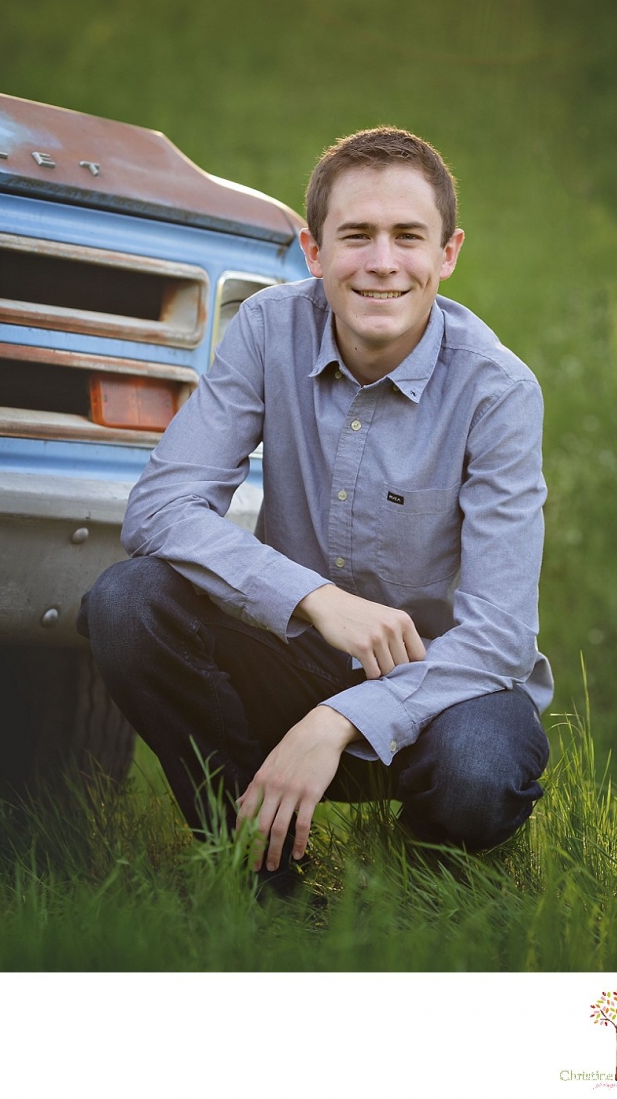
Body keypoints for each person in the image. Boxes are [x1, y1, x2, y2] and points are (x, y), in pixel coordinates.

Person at [78, 126, 553, 891]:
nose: (383, 262)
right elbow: (161, 506)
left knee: (481, 767)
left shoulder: (498, 392)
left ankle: (421, 880)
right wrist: (314, 598)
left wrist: (338, 719)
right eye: (356, 235)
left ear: (449, 254)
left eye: (409, 236)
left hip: (441, 691)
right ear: (313, 249)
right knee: (127, 602)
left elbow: (499, 637)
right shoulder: (269, 330)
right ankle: (258, 869)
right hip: (291, 662)